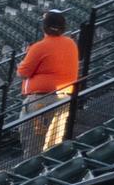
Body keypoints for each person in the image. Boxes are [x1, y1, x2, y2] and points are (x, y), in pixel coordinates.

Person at [17, 9, 79, 155]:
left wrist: (24, 60)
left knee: (33, 142)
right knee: (53, 143)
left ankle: (31, 174)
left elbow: (22, 72)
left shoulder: (39, 47)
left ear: (44, 27)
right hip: (64, 99)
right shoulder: (70, 43)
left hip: (42, 100)